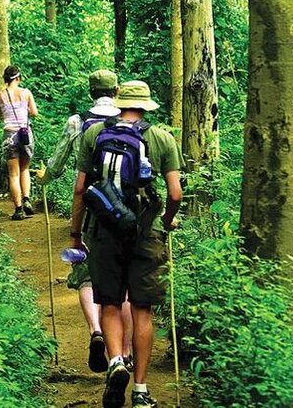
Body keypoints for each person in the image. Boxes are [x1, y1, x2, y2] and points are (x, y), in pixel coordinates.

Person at [70, 81, 183, 408]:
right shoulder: (161, 137)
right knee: (142, 308)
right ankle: (141, 390)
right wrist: (164, 221)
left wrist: (77, 235)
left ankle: (116, 360)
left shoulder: (93, 135)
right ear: (146, 106)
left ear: (117, 103)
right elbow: (175, 194)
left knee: (109, 303)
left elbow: (80, 190)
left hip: (104, 231)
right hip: (145, 233)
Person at [35, 69, 134, 372]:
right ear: (117, 90)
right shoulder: (132, 121)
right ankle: (126, 352)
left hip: (93, 206)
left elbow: (59, 161)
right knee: (125, 280)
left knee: (87, 273)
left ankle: (97, 331)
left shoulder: (77, 121)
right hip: (127, 211)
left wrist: (45, 177)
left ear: (91, 91)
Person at [0, 66, 39, 220]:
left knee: (13, 174)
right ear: (18, 78)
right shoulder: (26, 93)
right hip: (25, 134)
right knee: (25, 169)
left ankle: (18, 209)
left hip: (9, 135)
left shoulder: (0, 96)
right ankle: (26, 200)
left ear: (6, 79)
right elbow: (34, 113)